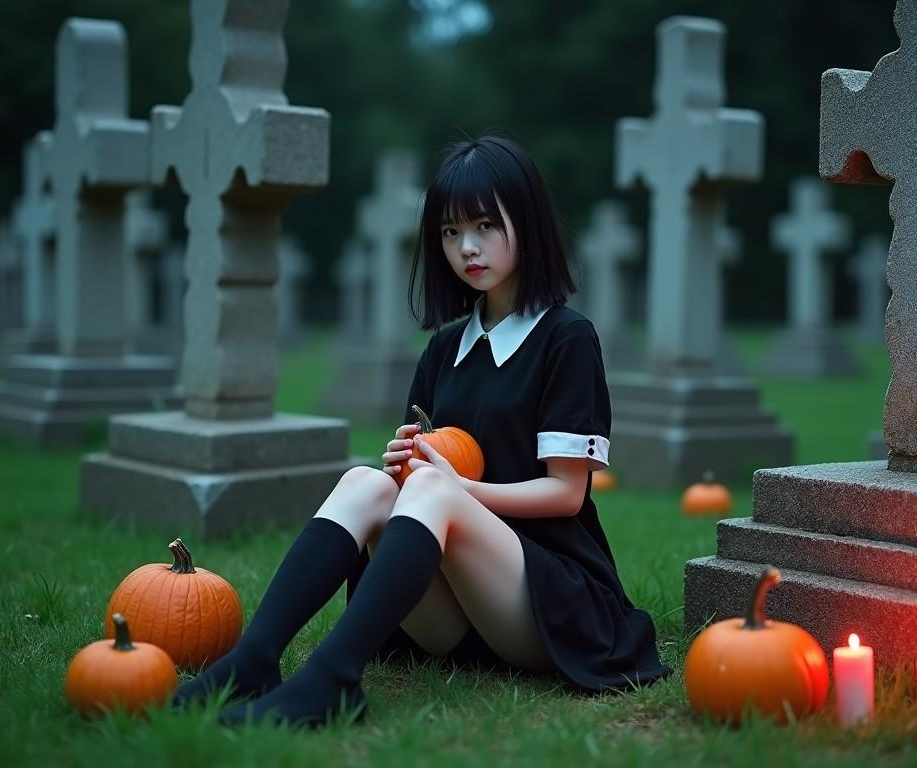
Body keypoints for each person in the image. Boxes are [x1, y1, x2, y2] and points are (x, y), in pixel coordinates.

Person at [173, 135, 671, 727]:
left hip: (550, 605)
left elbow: (567, 495)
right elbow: (416, 486)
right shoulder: (444, 350)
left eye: (486, 226)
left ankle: (332, 682)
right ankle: (253, 660)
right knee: (365, 481)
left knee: (433, 490)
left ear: (527, 222)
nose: (468, 247)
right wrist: (405, 468)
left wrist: (450, 486)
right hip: (460, 618)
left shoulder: (565, 338)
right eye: (451, 232)